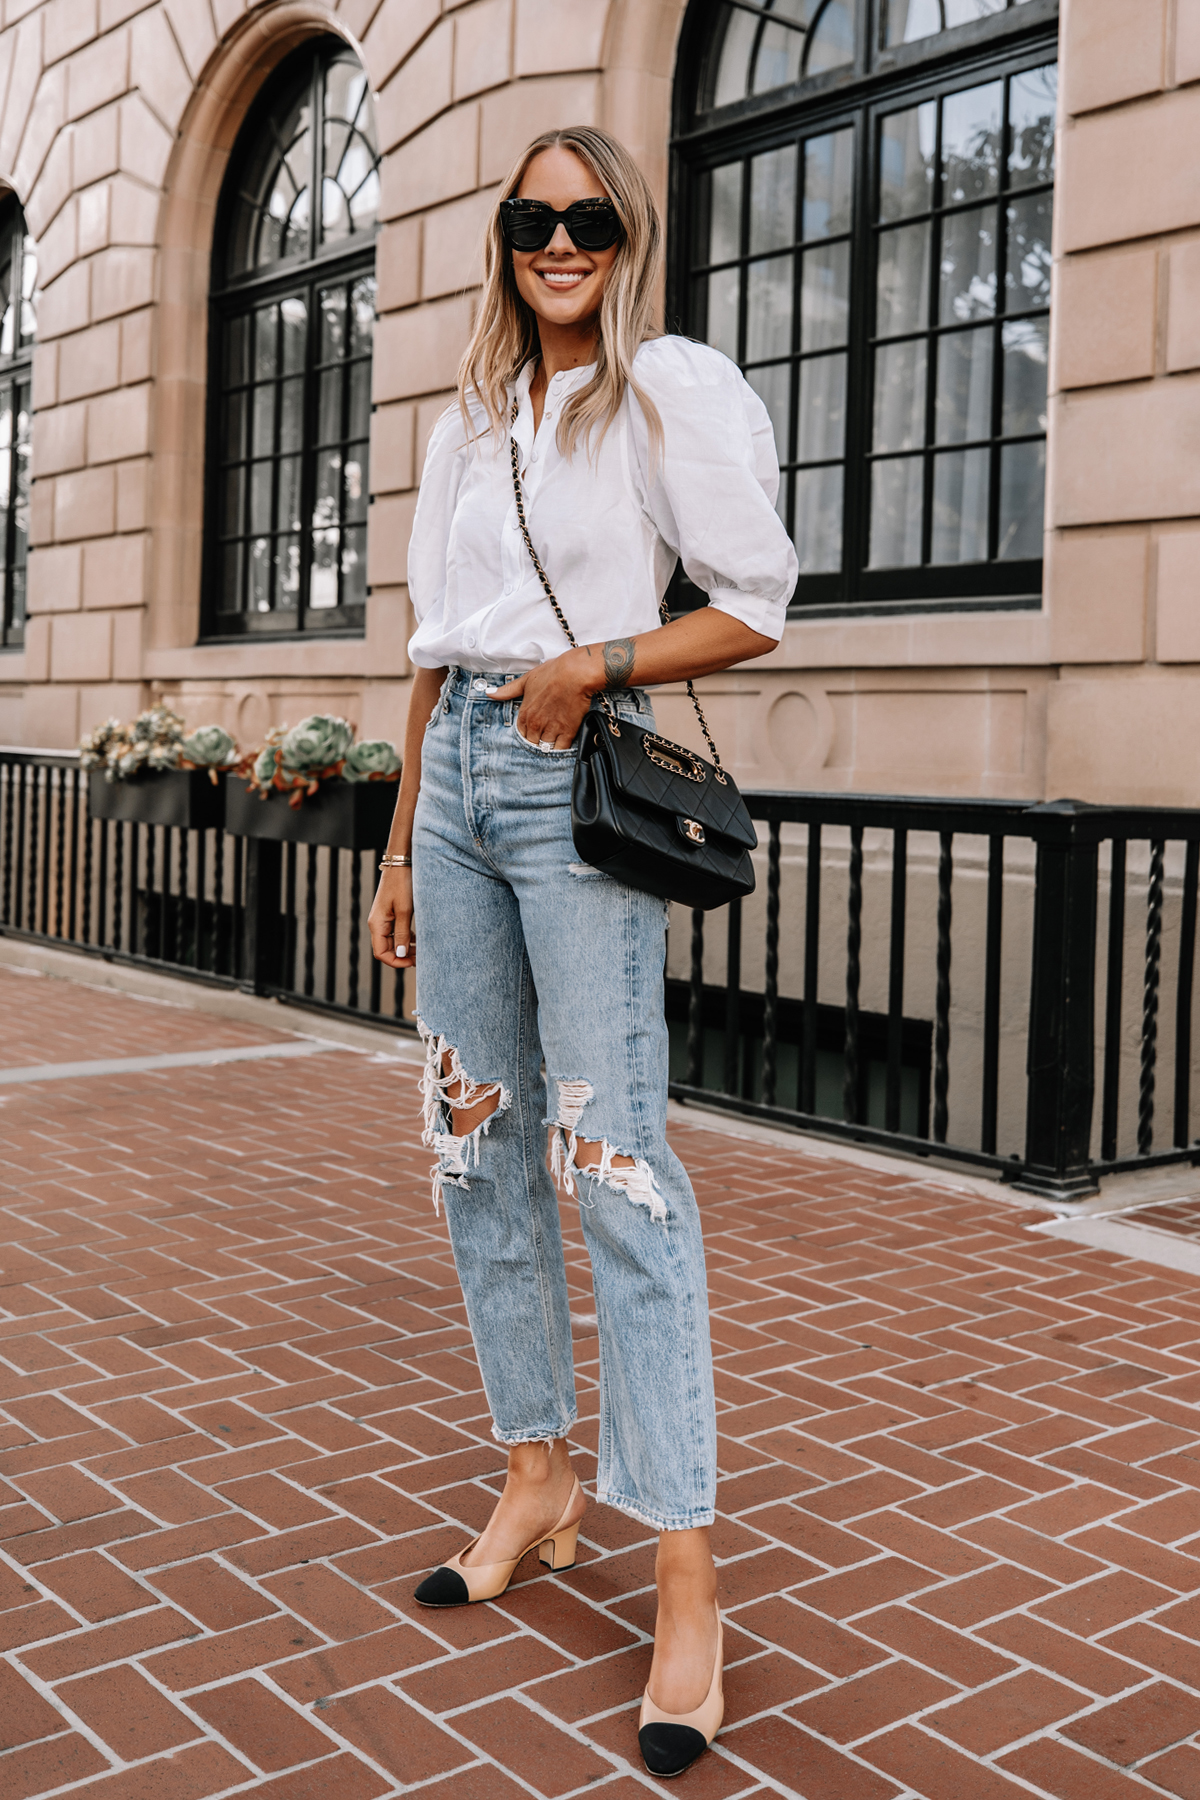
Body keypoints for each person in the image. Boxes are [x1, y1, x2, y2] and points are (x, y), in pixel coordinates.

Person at [368, 125, 796, 1779]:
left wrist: (595, 663)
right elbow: (426, 645)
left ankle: (684, 1566)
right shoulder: (470, 415)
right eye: (534, 219)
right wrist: (403, 843)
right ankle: (537, 1473)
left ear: (629, 236)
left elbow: (756, 599)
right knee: (474, 1150)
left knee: (614, 1162)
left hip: (574, 779)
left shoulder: (668, 386)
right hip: (463, 784)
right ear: (504, 236)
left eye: (590, 220)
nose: (560, 243)